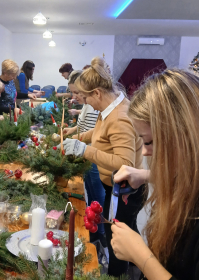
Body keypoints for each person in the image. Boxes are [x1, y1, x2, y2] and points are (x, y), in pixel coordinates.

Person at [110, 69, 199, 280]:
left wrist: (141, 256)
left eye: (148, 142)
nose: (145, 151)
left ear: (186, 138)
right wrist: (146, 175)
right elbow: (191, 176)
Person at [61, 57, 145, 277]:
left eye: (86, 96)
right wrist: (78, 137)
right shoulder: (108, 109)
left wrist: (84, 150)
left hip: (124, 189)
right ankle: (135, 265)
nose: (84, 102)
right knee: (123, 229)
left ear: (97, 93)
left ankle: (117, 274)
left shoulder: (119, 117)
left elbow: (125, 164)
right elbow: (98, 134)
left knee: (116, 235)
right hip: (115, 187)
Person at [63, 71, 106, 245]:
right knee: (89, 190)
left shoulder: (95, 106)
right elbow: (84, 128)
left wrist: (81, 147)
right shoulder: (88, 105)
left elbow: (96, 135)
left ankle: (100, 233)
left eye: (77, 92)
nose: (75, 96)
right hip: (87, 153)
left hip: (93, 156)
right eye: (73, 92)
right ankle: (95, 228)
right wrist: (72, 137)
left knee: (97, 195)